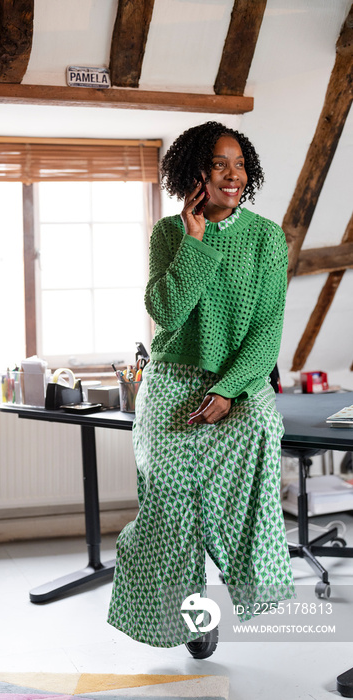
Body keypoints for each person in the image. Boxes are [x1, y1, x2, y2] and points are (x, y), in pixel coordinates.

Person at [107, 121, 295, 650]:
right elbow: (165, 313)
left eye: (239, 164)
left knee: (255, 438)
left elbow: (266, 332)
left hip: (240, 382)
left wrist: (230, 390)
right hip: (171, 381)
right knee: (168, 499)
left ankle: (251, 584)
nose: (232, 175)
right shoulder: (170, 233)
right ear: (197, 173)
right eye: (219, 164)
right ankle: (193, 615)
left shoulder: (265, 238)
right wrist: (195, 241)